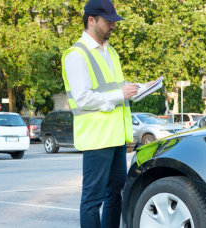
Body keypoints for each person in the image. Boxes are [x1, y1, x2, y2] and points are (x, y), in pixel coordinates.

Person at [61, 0, 160, 227]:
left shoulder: (110, 51)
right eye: (109, 22)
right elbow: (82, 98)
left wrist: (144, 88)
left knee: (115, 194)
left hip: (115, 137)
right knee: (93, 199)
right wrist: (120, 94)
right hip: (96, 138)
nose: (113, 26)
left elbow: (118, 88)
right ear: (92, 20)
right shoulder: (76, 55)